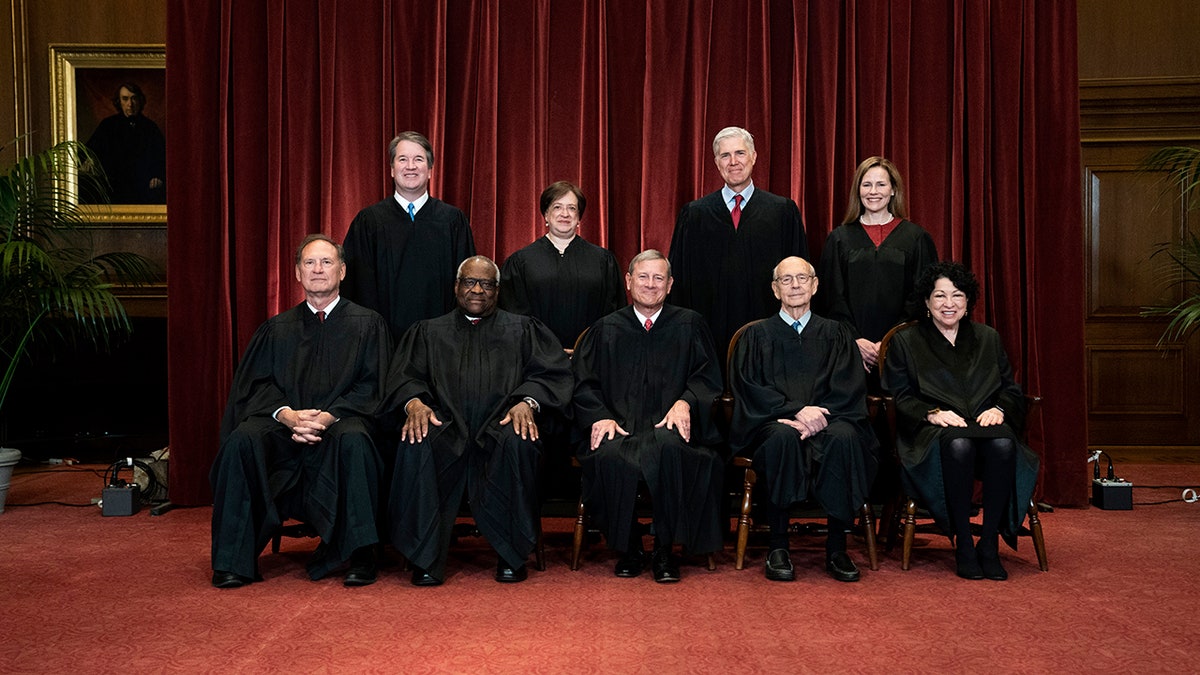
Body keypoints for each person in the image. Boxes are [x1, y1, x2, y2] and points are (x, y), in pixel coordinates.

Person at [209, 234, 391, 589]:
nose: (318, 269)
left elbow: (373, 386)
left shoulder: (368, 325)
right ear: (297, 273)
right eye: (310, 263)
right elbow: (256, 387)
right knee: (243, 441)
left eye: (326, 262)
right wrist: (288, 415)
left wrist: (327, 416)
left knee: (356, 439)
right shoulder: (277, 329)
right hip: (284, 428)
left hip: (340, 423)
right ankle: (232, 561)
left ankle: (361, 554)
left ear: (341, 271)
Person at [384, 256, 573, 586]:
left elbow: (552, 374)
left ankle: (511, 553)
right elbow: (404, 377)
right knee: (417, 440)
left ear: (497, 291)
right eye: (470, 282)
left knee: (520, 440)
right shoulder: (428, 331)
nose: (477, 290)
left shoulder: (523, 330)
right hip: (445, 427)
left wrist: (527, 402)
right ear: (456, 287)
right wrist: (414, 403)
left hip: (500, 426)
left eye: (486, 284)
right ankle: (424, 555)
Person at [881, 261, 1040, 581]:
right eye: (939, 296)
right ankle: (965, 544)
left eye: (957, 295)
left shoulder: (988, 338)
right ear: (926, 302)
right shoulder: (907, 342)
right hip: (931, 431)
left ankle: (989, 543)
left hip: (986, 423)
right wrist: (931, 413)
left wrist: (1001, 410)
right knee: (960, 446)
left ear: (968, 302)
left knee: (1003, 444)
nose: (948, 303)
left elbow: (1010, 389)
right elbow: (899, 396)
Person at [572, 249, 724, 583]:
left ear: (670, 285)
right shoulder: (605, 329)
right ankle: (629, 548)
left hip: (669, 426)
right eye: (643, 277)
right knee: (609, 453)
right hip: (620, 424)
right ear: (628, 282)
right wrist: (599, 416)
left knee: (670, 450)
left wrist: (686, 402)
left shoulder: (690, 324)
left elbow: (707, 378)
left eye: (658, 278)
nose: (650, 285)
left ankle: (665, 550)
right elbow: (583, 383)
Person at [730, 256, 879, 582]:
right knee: (782, 439)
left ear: (814, 285)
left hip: (831, 418)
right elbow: (750, 387)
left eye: (802, 278)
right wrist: (796, 410)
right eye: (786, 279)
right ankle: (778, 546)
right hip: (776, 420)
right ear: (774, 288)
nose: (795, 285)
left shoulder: (836, 334)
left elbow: (848, 386)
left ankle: (837, 547)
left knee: (844, 438)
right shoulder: (756, 336)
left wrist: (818, 417)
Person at [667, 126, 808, 357]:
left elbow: (799, 279)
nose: (733, 161)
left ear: (753, 157)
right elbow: (680, 285)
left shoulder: (782, 212)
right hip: (708, 338)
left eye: (740, 153)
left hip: (770, 338)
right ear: (716, 162)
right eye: (725, 155)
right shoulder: (694, 215)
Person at [343, 131, 476, 341]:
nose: (411, 166)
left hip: (442, 341)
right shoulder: (369, 222)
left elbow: (467, 283)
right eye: (403, 159)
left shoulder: (452, 220)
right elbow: (356, 286)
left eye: (419, 159)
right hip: (383, 342)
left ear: (430, 170)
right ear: (392, 170)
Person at [817, 156, 937, 382]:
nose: (873, 191)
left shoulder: (916, 238)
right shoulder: (839, 239)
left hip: (902, 348)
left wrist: (891, 339)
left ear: (893, 190)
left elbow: (922, 298)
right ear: (858, 190)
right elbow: (832, 297)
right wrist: (854, 340)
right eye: (866, 184)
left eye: (881, 184)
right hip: (849, 350)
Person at [499, 180, 624, 350]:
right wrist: (544, 349)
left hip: (591, 358)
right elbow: (513, 317)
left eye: (572, 208)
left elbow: (613, 315)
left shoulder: (603, 261)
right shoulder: (521, 262)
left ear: (579, 217)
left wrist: (587, 348)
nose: (565, 213)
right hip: (537, 360)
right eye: (557, 207)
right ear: (546, 214)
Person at [84, 82, 166, 204]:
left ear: (140, 101)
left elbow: (162, 157)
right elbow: (89, 150)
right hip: (113, 185)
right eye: (125, 99)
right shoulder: (108, 125)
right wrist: (87, 162)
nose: (130, 104)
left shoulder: (150, 127)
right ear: (119, 102)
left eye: (134, 98)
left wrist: (157, 176)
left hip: (143, 186)